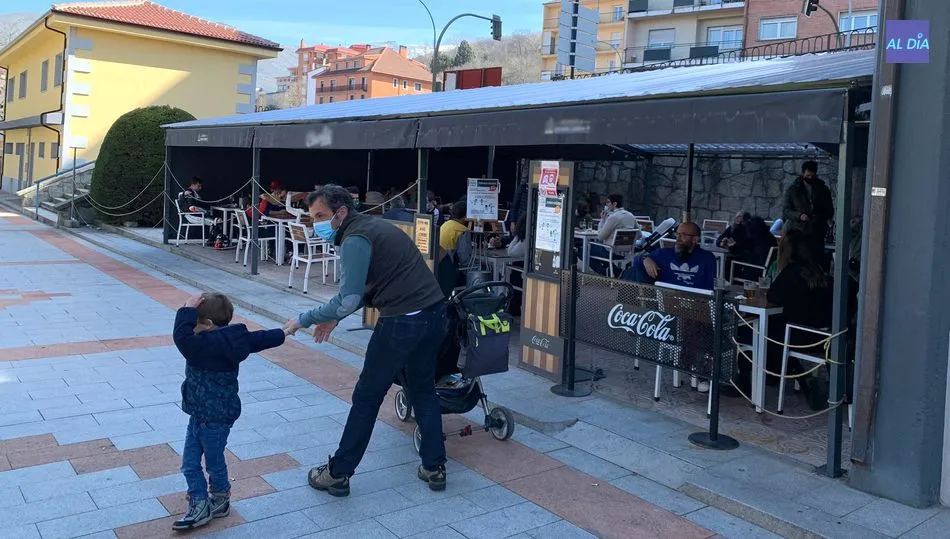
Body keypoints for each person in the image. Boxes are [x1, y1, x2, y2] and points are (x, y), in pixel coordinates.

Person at [283, 185, 448, 497]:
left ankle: (338, 473)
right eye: (312, 217)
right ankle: (434, 466)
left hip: (402, 321)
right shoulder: (373, 226)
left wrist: (304, 319)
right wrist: (336, 317)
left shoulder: (355, 239)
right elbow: (366, 288)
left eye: (320, 216)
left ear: (341, 212)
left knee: (368, 396)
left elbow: (348, 298)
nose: (316, 223)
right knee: (423, 390)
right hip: (433, 313)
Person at [171, 293, 286, 530]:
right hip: (205, 414)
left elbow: (180, 337)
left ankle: (204, 504)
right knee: (200, 463)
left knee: (202, 464)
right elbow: (261, 338)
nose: (191, 328)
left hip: (213, 418)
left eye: (195, 324)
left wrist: (187, 310)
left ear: (208, 324)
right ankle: (217, 501)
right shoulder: (236, 339)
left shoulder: (200, 346)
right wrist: (286, 331)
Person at [767, 229, 834, 410]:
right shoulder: (821, 273)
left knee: (762, 329)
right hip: (824, 338)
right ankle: (798, 373)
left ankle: (781, 372)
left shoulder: (790, 274)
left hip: (797, 337)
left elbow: (772, 297)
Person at [627, 221, 717, 291]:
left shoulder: (707, 258)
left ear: (695, 239)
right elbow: (635, 260)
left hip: (697, 301)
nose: (678, 238)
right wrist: (645, 258)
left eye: (683, 235)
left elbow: (710, 287)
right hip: (665, 300)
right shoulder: (663, 254)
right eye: (677, 234)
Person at [782, 161, 834, 264]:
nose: (810, 178)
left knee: (815, 261)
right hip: (798, 233)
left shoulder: (823, 190)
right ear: (802, 174)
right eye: (807, 175)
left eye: (812, 176)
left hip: (817, 233)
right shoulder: (793, 190)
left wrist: (819, 217)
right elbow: (786, 211)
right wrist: (799, 216)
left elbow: (830, 210)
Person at [589, 194, 639, 275]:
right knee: (595, 249)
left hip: (611, 252)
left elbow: (600, 236)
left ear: (615, 204)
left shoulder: (613, 217)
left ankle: (607, 272)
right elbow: (639, 235)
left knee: (584, 249)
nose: (606, 205)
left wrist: (602, 220)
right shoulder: (631, 216)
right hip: (627, 253)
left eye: (608, 202)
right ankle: (614, 270)